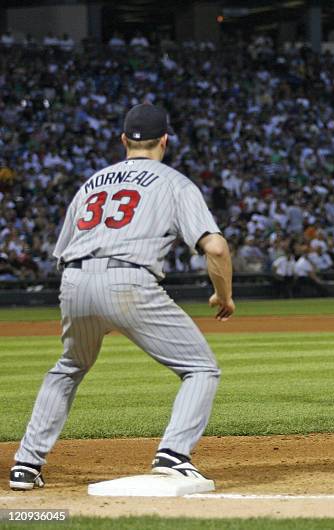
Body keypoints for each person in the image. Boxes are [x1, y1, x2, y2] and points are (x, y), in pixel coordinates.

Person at [9, 103, 235, 491]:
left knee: (68, 367)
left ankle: (25, 465)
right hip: (129, 282)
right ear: (165, 140)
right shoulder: (174, 182)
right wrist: (223, 296)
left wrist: (94, 303)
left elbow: (63, 251)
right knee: (201, 369)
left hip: (75, 283)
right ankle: (174, 455)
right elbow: (215, 248)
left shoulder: (91, 183)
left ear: (123, 140)